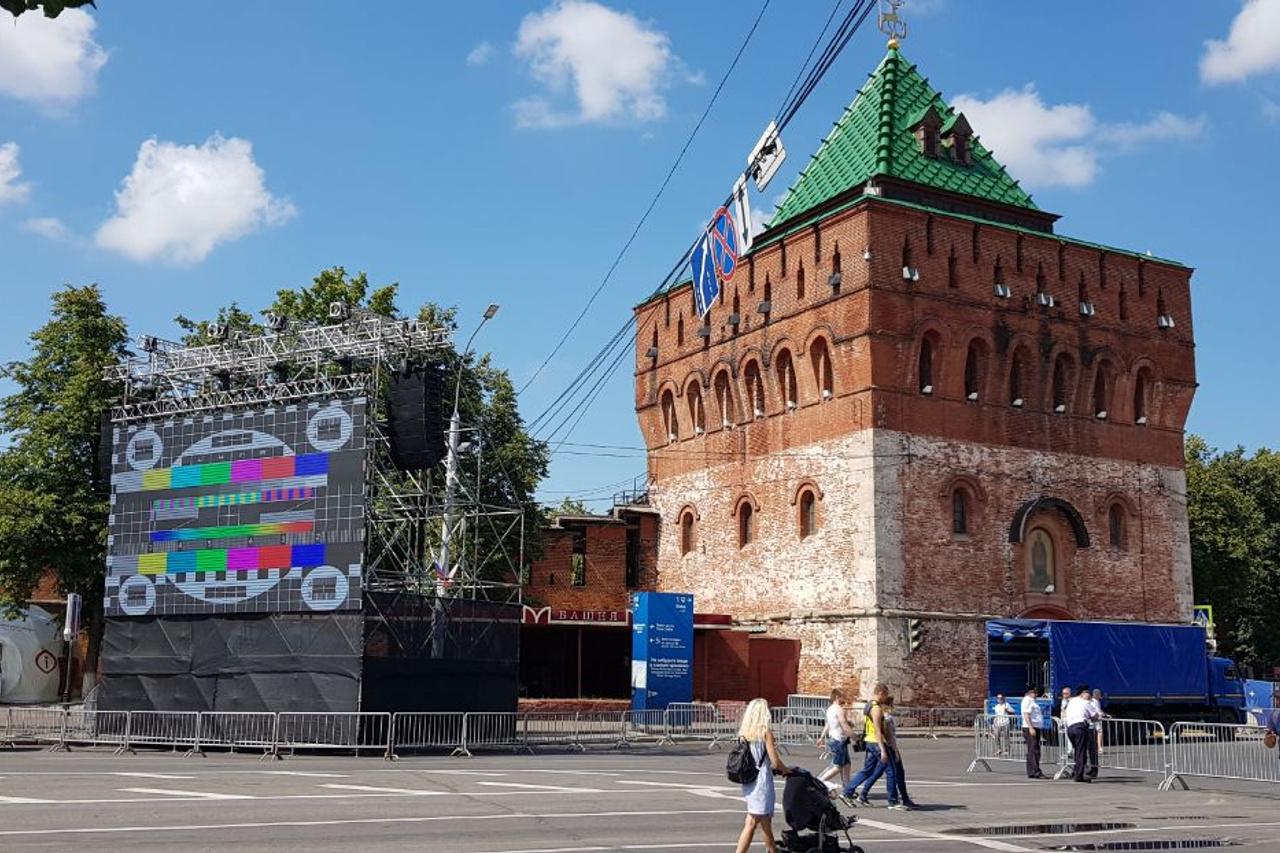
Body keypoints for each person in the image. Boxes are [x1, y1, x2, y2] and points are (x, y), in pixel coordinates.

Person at [735, 697, 791, 853]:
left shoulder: (744, 734)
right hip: (761, 782)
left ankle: (773, 850)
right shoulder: (766, 733)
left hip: (749, 780)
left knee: (765, 822)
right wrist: (786, 770)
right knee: (752, 822)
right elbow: (775, 761)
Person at [841, 684, 896, 807]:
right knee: (891, 771)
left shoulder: (868, 705)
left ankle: (848, 792)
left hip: (870, 741)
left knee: (867, 770)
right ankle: (893, 801)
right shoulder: (876, 708)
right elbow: (877, 729)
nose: (886, 698)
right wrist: (883, 750)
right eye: (885, 695)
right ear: (881, 693)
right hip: (876, 742)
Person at [881, 695, 918, 810]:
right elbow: (890, 736)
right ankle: (894, 800)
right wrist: (895, 750)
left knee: (898, 774)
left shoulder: (886, 717)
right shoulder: (887, 718)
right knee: (892, 773)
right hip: (890, 748)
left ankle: (905, 799)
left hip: (890, 747)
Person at [817, 688, 852, 790]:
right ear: (837, 697)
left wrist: (822, 737)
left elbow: (828, 724)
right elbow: (844, 724)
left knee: (847, 765)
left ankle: (848, 789)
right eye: (842, 696)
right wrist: (853, 735)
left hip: (836, 739)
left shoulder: (830, 709)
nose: (844, 698)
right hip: (838, 740)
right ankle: (819, 781)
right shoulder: (838, 709)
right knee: (837, 767)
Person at [1063, 686, 1099, 783]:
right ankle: (1079, 775)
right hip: (1080, 727)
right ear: (1082, 694)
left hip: (1070, 728)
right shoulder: (1085, 702)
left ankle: (1077, 772)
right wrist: (1097, 717)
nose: (1089, 695)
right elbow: (1094, 715)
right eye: (1087, 693)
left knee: (1078, 751)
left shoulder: (1072, 701)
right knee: (1081, 752)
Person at [1021, 686, 1045, 778]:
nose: (1035, 694)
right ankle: (1036, 771)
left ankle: (1031, 771)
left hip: (1035, 726)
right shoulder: (1027, 700)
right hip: (1030, 727)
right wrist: (1031, 727)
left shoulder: (1032, 701)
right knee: (1034, 750)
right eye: (1033, 692)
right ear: (1028, 693)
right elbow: (1026, 714)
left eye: (1035, 692)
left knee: (1033, 750)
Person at [1087, 688, 1107, 779]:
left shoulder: (1090, 702)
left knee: (1088, 750)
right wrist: (1103, 715)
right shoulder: (1094, 702)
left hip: (1088, 726)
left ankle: (1091, 769)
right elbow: (1096, 713)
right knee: (1099, 733)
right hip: (1091, 725)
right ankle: (1099, 747)